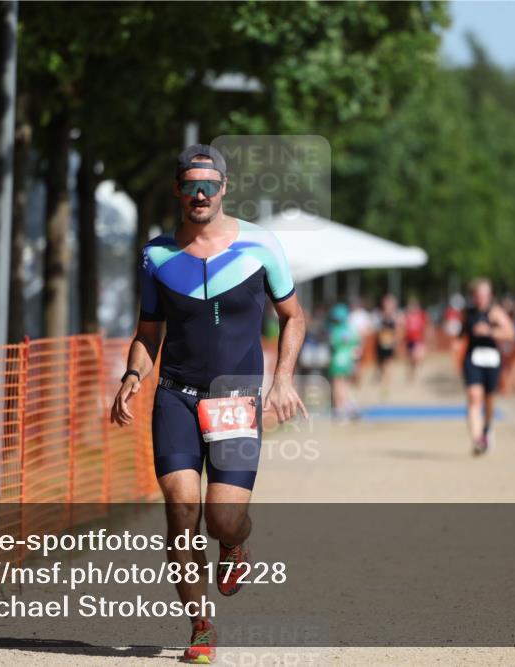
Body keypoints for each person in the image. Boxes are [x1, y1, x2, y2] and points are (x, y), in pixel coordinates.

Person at [110, 144, 308, 664]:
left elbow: (294, 316)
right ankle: (200, 625)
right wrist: (133, 373)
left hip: (234, 398)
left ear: (224, 188)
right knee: (181, 511)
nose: (200, 195)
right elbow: (147, 332)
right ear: (178, 190)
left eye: (209, 186)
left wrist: (283, 379)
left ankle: (235, 543)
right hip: (175, 393)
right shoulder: (156, 255)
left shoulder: (262, 246)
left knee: (222, 518)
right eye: (190, 185)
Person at [457, 278, 515, 455]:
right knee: (474, 396)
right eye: (477, 296)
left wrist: (490, 331)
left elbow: (511, 334)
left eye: (484, 296)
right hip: (472, 359)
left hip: (491, 360)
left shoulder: (495, 313)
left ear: (490, 296)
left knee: (490, 400)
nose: (480, 299)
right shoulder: (468, 313)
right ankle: (477, 440)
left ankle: (487, 428)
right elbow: (461, 335)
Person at [327, 303, 361, 420]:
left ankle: (339, 407)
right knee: (345, 384)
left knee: (337, 384)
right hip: (349, 361)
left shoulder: (335, 330)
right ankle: (347, 405)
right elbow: (357, 347)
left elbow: (333, 344)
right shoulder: (351, 330)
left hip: (337, 360)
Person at [374, 294, 399, 391]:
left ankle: (386, 383)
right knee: (380, 364)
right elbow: (376, 330)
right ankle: (383, 378)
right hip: (380, 344)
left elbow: (397, 331)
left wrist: (395, 342)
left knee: (388, 363)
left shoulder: (395, 317)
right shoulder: (380, 316)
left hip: (389, 344)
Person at [403, 296, 427, 381]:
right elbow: (404, 328)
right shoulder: (407, 316)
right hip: (409, 340)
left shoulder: (421, 315)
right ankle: (412, 373)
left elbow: (425, 327)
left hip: (418, 340)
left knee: (417, 357)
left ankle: (416, 373)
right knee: (411, 359)